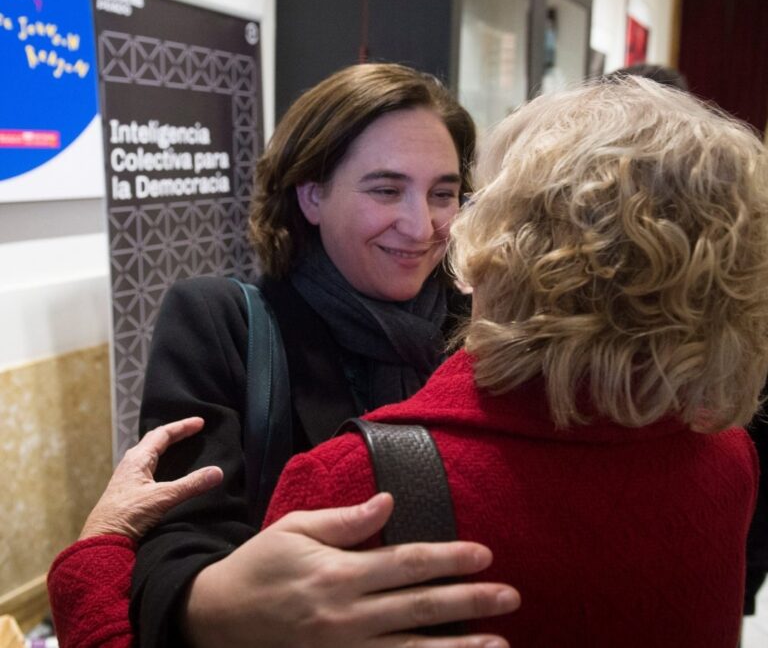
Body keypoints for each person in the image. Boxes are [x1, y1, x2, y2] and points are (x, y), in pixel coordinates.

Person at [263, 77, 768, 646]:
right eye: (385, 190)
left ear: (501, 240)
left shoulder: (355, 485)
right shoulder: (726, 453)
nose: (426, 224)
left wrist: (138, 548)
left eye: (455, 196)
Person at [130, 63, 519, 648]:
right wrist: (221, 605)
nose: (422, 226)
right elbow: (171, 558)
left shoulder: (481, 329)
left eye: (443, 194)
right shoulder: (226, 323)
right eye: (386, 190)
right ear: (311, 195)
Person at [48, 417, 515, 648]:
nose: (421, 229)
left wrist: (98, 544)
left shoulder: (335, 474)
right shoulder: (219, 313)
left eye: (446, 218)